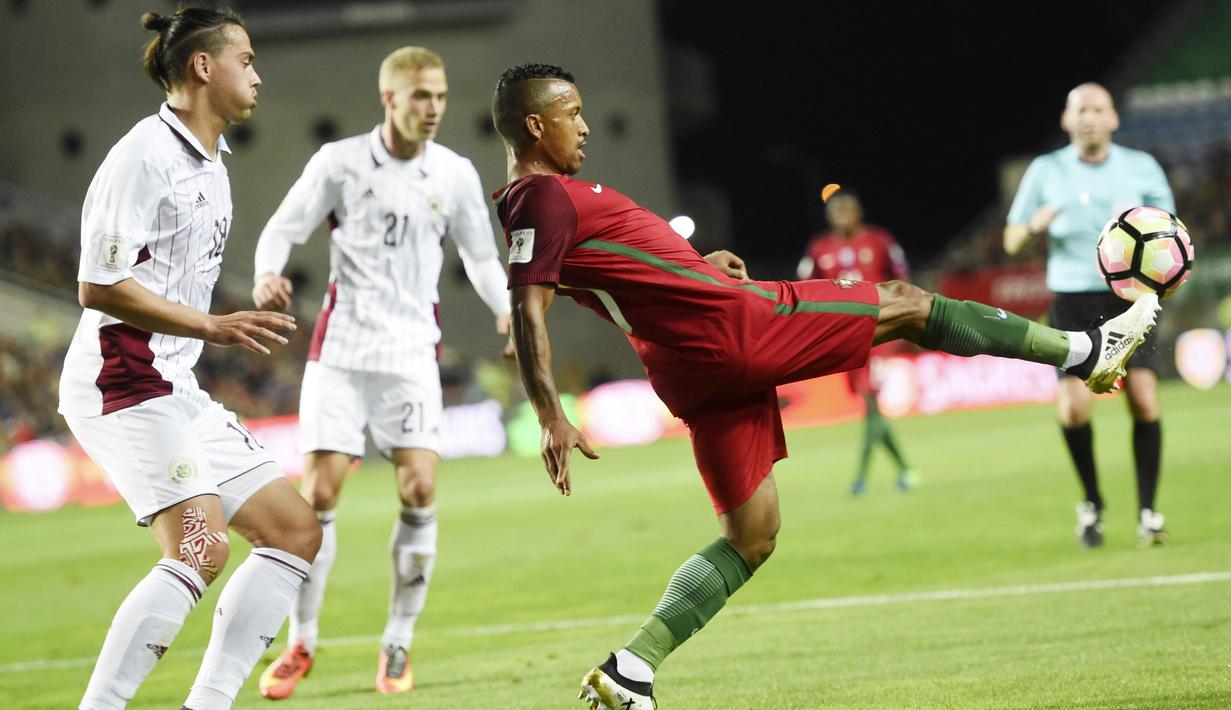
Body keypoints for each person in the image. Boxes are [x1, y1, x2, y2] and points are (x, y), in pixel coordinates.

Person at [489, 63, 1161, 710]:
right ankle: (1082, 350)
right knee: (905, 303)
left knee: (750, 535)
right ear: (531, 126)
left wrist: (699, 267)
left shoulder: (538, 205)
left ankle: (630, 669)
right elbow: (527, 308)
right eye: (570, 113)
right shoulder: (542, 198)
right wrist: (550, 413)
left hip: (690, 363)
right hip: (731, 328)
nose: (582, 126)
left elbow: (620, 277)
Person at [57, 8, 321, 709]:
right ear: (205, 67)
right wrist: (212, 324)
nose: (258, 76)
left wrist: (211, 327)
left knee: (295, 531)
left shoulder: (210, 162)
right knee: (201, 548)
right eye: (247, 59)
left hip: (173, 383)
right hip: (122, 378)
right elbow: (98, 283)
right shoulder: (144, 155)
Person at [251, 46, 512, 698]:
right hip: (339, 353)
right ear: (388, 99)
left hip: (409, 354)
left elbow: (482, 256)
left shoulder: (452, 173)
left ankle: (396, 642)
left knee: (420, 488)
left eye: (441, 97)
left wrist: (508, 309)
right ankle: (300, 643)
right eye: (420, 96)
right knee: (316, 500)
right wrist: (266, 273)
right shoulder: (339, 162)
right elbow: (282, 227)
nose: (433, 109)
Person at [1004, 82, 1174, 549]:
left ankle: (1148, 514)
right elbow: (1011, 240)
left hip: (1129, 300)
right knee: (1074, 409)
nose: (1089, 117)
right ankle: (1093, 503)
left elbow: (1170, 234)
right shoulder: (1046, 170)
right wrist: (1033, 226)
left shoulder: (1141, 168)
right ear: (1066, 119)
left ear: (1113, 118)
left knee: (1143, 398)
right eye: (1080, 110)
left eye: (1098, 109)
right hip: (1073, 299)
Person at [798, 188, 917, 494]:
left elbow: (902, 275)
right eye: (837, 213)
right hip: (843, 335)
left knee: (870, 401)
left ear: (858, 213)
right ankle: (905, 469)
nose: (842, 217)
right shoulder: (820, 247)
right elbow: (804, 287)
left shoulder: (879, 240)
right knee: (869, 404)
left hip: (878, 331)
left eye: (847, 211)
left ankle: (861, 477)